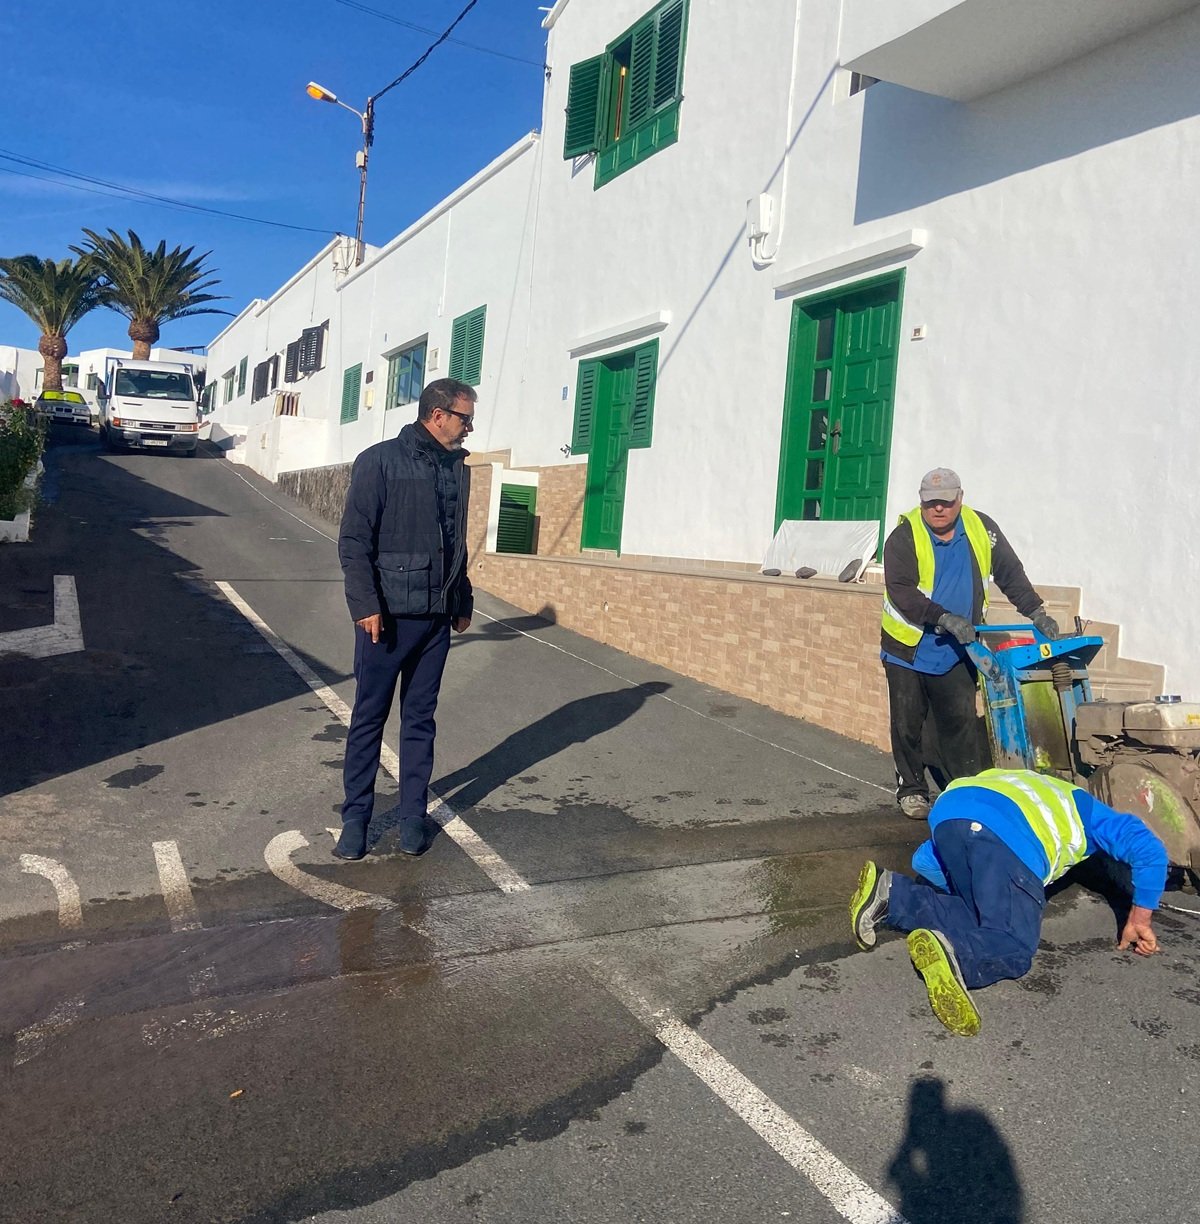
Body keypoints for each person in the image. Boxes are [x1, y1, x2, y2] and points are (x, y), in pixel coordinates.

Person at [849, 768, 1168, 1036]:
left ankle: (891, 896)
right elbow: (1149, 849)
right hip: (1010, 835)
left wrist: (978, 889)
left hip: (949, 809)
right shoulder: (1089, 811)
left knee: (974, 909)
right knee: (1013, 942)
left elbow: (924, 861)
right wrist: (1139, 919)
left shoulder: (1031, 784)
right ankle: (959, 955)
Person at [333, 378, 477, 861]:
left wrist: (462, 598)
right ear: (437, 415)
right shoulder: (379, 461)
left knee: (420, 721)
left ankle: (414, 815)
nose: (468, 427)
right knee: (368, 719)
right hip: (386, 619)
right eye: (464, 417)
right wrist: (366, 605)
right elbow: (354, 540)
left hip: (436, 620)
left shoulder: (459, 468)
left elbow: (456, 539)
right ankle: (356, 818)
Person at [881, 467, 1059, 820]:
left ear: (960, 498)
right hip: (909, 647)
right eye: (931, 503)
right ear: (921, 502)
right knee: (907, 723)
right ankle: (912, 790)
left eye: (946, 502)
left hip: (958, 648)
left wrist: (1036, 611)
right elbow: (901, 592)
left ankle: (962, 790)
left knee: (959, 721)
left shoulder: (982, 528)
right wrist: (943, 617)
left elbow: (1010, 572)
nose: (938, 510)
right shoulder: (903, 537)